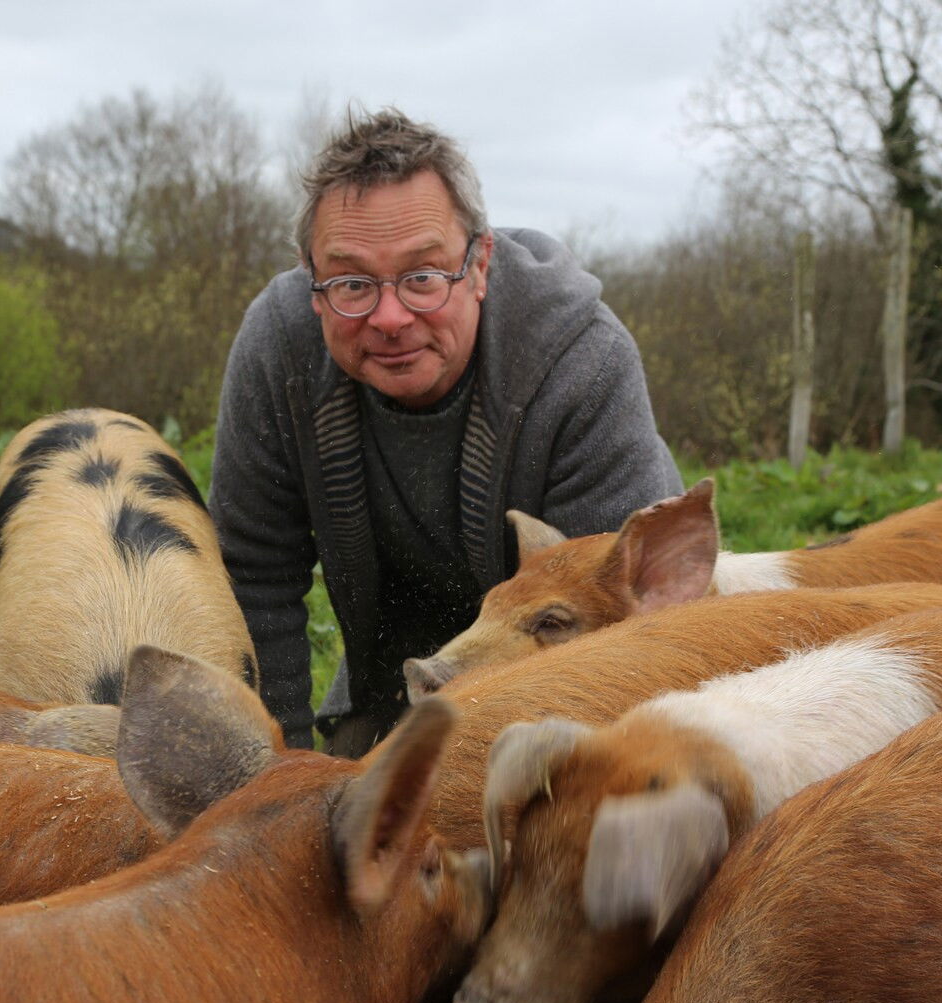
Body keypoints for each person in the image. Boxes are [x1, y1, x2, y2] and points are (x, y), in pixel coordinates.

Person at [209, 108, 682, 753]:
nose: (391, 316)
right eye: (351, 283)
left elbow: (630, 629)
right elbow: (255, 580)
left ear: (480, 264)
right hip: (390, 685)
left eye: (423, 278)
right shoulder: (279, 354)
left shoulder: (583, 363)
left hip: (565, 706)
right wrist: (277, 778)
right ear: (311, 283)